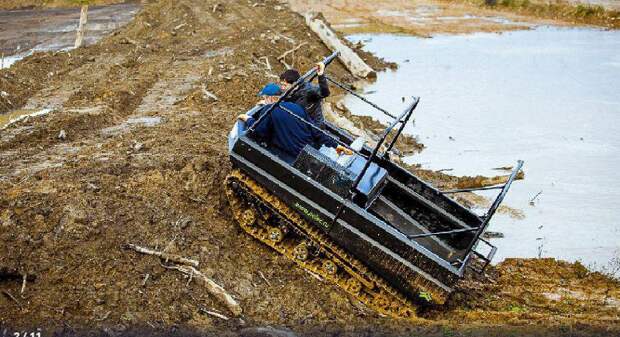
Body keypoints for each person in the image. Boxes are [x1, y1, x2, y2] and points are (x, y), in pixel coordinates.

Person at [238, 83, 350, 163]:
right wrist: (336, 145)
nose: (264, 100)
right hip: (309, 151)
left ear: (271, 98)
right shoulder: (296, 107)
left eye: (265, 98)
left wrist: (247, 119)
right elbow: (315, 129)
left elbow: (260, 131)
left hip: (291, 156)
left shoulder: (268, 111)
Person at [279, 62, 330, 128]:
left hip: (313, 126)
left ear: (295, 84)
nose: (282, 87)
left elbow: (325, 93)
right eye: (281, 84)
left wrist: (321, 75)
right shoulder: (286, 91)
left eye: (284, 85)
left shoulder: (309, 91)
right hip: (298, 121)